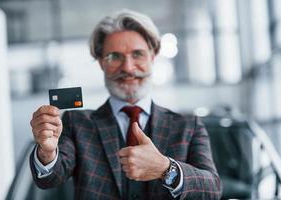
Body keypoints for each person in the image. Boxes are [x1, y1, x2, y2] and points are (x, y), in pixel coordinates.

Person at [29, 9, 222, 200]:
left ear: (152, 57)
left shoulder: (189, 125)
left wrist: (165, 168)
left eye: (137, 54)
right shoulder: (76, 123)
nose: (128, 68)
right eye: (114, 57)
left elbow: (212, 189)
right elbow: (50, 179)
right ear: (101, 63)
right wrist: (47, 151)